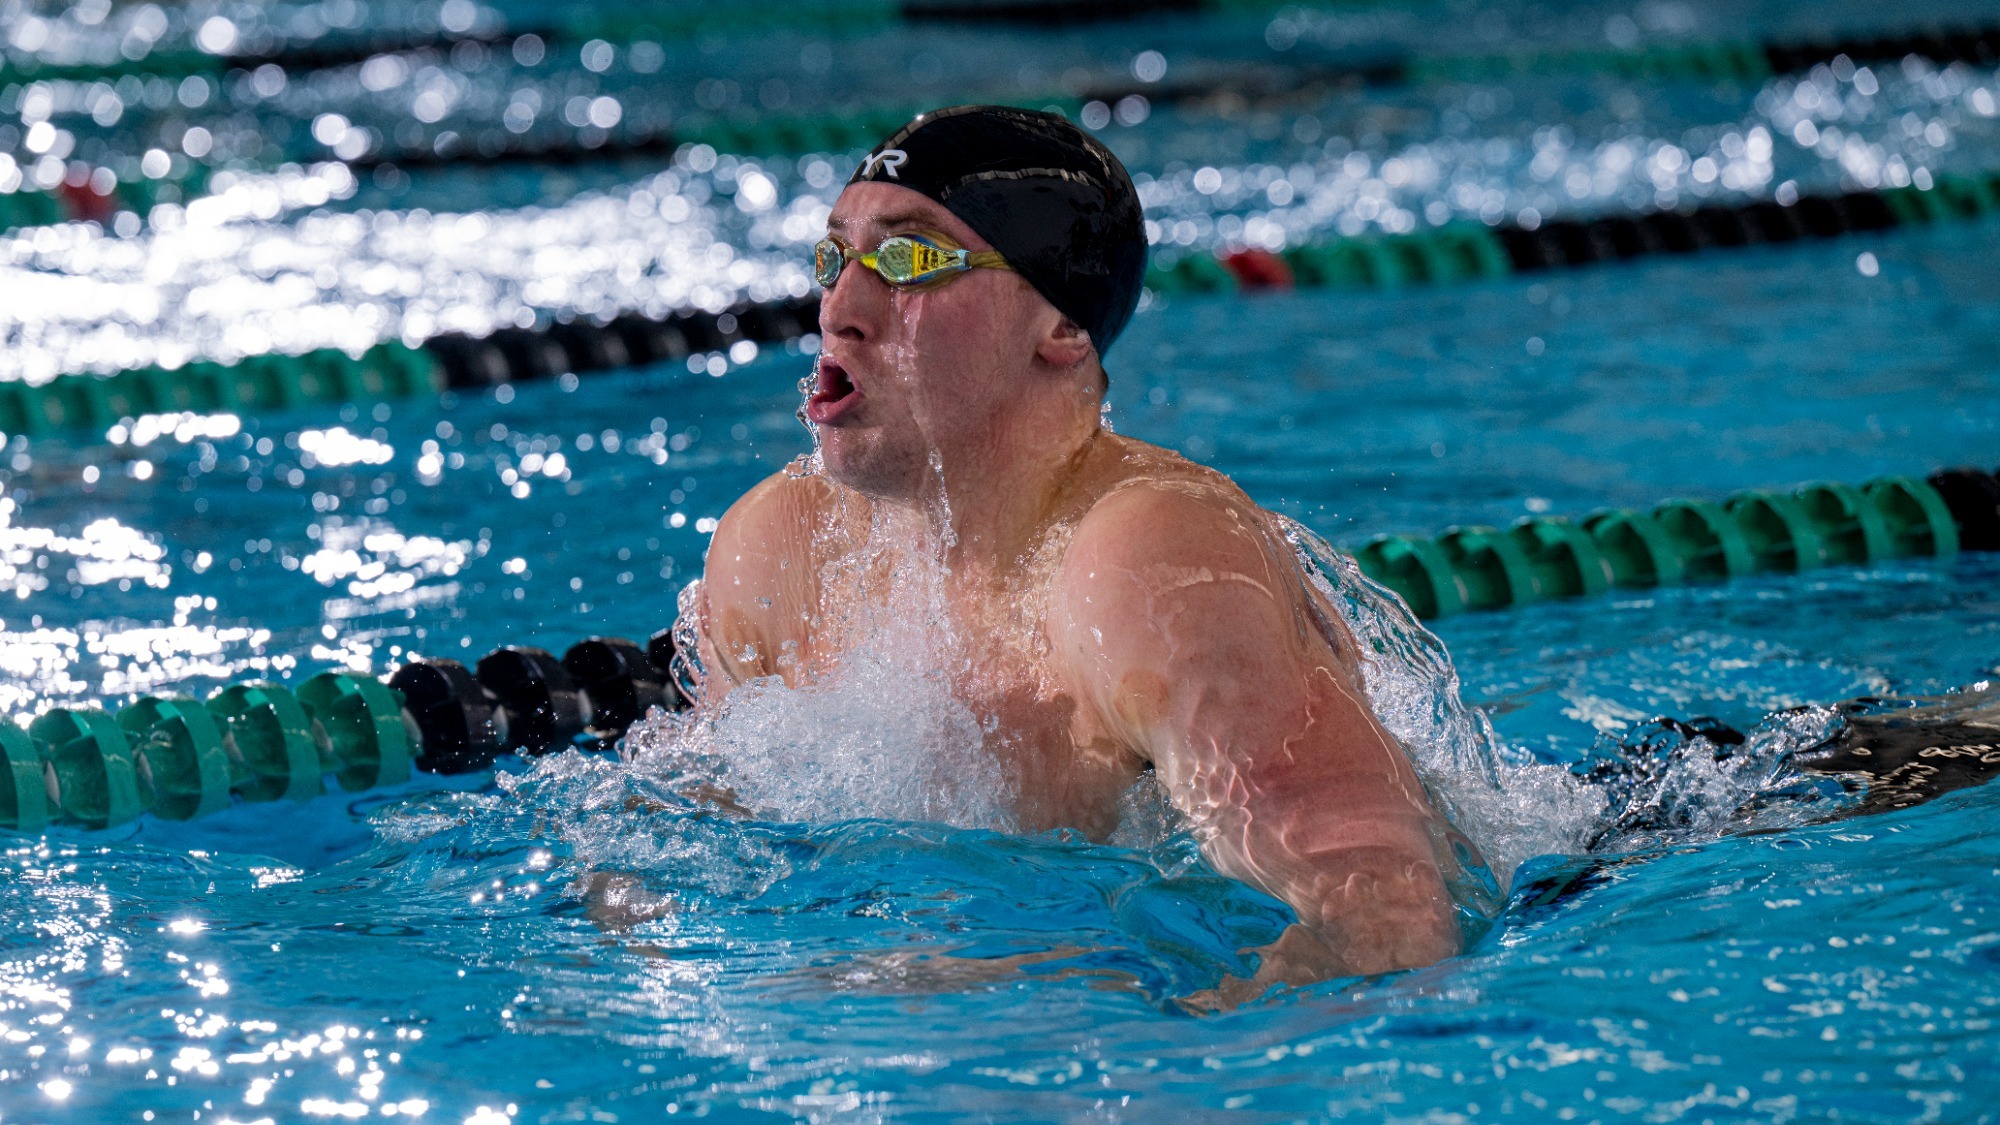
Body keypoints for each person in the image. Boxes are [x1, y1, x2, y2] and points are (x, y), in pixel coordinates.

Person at [686, 105, 1478, 993]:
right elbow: (694, 836)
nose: (841, 309)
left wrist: (1108, 1040)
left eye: (910, 260)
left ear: (1061, 327)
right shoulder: (783, 548)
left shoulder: (1147, 563)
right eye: (836, 258)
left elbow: (1386, 919)